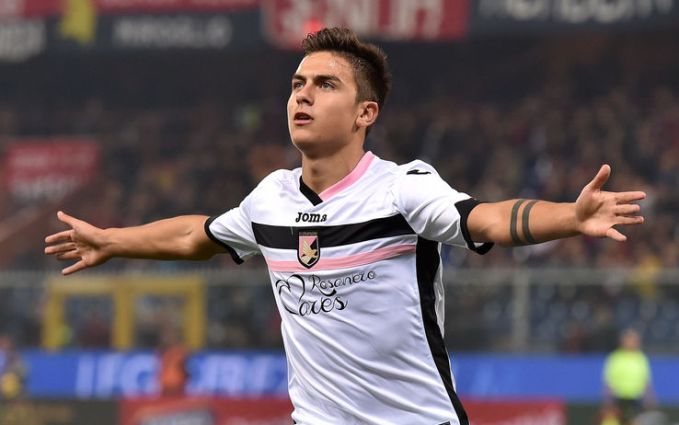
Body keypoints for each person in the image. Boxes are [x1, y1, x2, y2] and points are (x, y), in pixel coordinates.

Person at [45, 27, 646, 425]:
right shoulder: (270, 199)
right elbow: (196, 236)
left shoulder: (402, 188)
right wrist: (112, 240)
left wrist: (570, 216)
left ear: (365, 113)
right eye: (297, 85)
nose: (302, 96)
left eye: (324, 84)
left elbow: (485, 218)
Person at [603, 328, 655, 425]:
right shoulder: (615, 358)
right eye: (629, 340)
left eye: (634, 340)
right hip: (619, 398)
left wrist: (649, 398)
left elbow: (646, 381)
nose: (632, 343)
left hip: (636, 398)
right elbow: (608, 381)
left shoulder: (641, 358)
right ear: (623, 341)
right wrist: (608, 401)